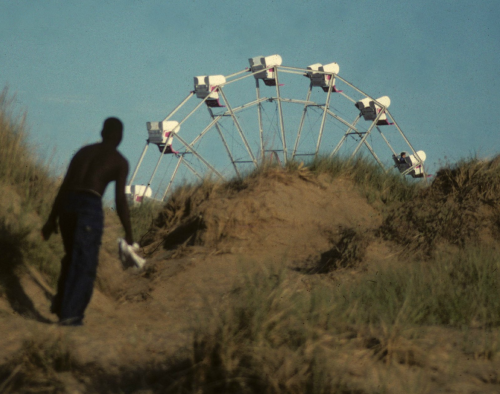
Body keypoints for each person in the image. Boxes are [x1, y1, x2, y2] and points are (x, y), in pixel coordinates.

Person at [42, 117, 133, 326]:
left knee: (71, 256)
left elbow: (64, 186)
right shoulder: (119, 161)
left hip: (66, 205)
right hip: (88, 206)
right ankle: (70, 315)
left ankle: (61, 304)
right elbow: (120, 200)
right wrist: (128, 232)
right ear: (119, 137)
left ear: (102, 132)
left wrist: (51, 219)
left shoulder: (83, 153)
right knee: (84, 263)